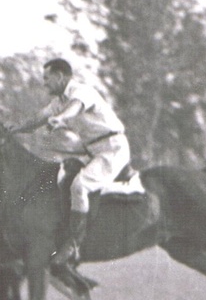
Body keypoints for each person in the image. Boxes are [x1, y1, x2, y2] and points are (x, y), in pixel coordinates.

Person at [10, 57, 140, 265]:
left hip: (112, 149)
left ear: (60, 77)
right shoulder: (58, 102)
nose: (44, 83)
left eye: (47, 78)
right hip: (92, 151)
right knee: (61, 179)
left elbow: (75, 108)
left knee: (79, 186)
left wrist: (60, 119)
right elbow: (38, 118)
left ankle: (73, 245)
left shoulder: (81, 92)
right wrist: (15, 130)